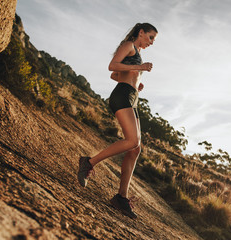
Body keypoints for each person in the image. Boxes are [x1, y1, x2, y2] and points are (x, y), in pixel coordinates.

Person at [77, 23, 158, 219]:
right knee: (132, 141)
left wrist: (135, 83)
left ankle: (121, 197)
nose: (152, 42)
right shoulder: (129, 45)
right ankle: (89, 162)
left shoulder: (136, 51)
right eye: (151, 37)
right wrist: (139, 68)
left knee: (135, 148)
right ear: (141, 33)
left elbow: (116, 75)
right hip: (121, 96)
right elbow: (112, 66)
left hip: (131, 95)